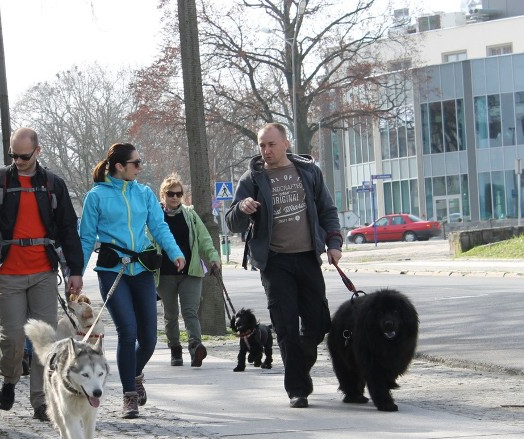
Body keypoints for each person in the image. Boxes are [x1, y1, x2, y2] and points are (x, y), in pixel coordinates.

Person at [225, 123, 342, 409]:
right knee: (286, 326)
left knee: (318, 322)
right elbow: (230, 221)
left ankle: (299, 368)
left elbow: (327, 210)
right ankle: (297, 389)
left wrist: (334, 243)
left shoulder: (309, 172)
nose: (266, 150)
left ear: (285, 143)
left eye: (271, 144)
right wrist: (242, 208)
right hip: (274, 262)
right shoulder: (252, 179)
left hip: (307, 257)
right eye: (262, 145)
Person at [0, 127, 83, 422]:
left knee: (44, 341)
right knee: (11, 339)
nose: (18, 160)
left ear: (38, 151)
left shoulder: (52, 184)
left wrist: (75, 270)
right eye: (13, 155)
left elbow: (68, 230)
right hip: (8, 272)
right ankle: (9, 380)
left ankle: (40, 401)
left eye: (23, 156)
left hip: (44, 273)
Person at [79, 143, 185, 419]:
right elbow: (87, 238)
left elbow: (158, 226)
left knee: (149, 338)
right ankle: (129, 396)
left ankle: (134, 372)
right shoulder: (96, 197)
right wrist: (75, 273)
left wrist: (175, 252)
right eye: (136, 163)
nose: (140, 167)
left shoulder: (144, 193)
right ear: (120, 167)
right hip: (113, 270)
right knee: (128, 331)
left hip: (142, 270)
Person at [155, 174, 221, 368]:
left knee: (190, 310)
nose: (175, 197)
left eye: (178, 193)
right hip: (165, 273)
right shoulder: (155, 217)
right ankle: (175, 349)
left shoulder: (190, 215)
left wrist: (213, 258)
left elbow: (204, 238)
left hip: (190, 272)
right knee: (171, 313)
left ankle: (195, 346)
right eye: (170, 194)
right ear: (163, 195)